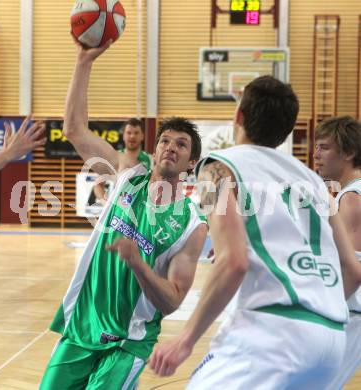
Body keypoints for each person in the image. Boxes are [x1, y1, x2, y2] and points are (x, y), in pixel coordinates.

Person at [149, 75, 361, 389]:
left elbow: (234, 263)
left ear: (239, 116)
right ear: (287, 130)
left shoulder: (217, 168)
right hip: (330, 338)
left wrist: (185, 338)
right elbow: (353, 271)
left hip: (272, 335)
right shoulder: (315, 183)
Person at [39, 40, 207, 390]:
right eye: (165, 141)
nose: (170, 148)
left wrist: (138, 264)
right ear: (154, 147)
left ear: (191, 162)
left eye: (181, 144)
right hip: (82, 323)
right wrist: (83, 60)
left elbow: (173, 299)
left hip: (128, 341)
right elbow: (74, 129)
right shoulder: (128, 174)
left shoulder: (192, 225)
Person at [314, 116, 361, 389]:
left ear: (348, 152)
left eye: (324, 147)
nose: (316, 154)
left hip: (351, 315)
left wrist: (321, 314)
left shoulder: (352, 199)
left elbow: (353, 271)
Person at [92, 118, 151, 205]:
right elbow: (98, 185)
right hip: (119, 210)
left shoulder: (151, 159)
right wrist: (106, 203)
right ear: (123, 135)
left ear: (142, 136)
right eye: (129, 133)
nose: (132, 136)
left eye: (136, 133)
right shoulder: (114, 157)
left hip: (142, 211)